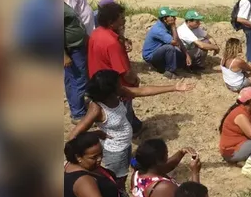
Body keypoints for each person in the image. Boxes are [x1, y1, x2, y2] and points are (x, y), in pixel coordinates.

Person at [67, 69, 195, 185]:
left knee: (126, 172)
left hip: (126, 145)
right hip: (115, 152)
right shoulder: (97, 108)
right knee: (118, 181)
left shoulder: (117, 94)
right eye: (118, 84)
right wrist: (95, 135)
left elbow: (143, 91)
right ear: (109, 90)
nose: (121, 85)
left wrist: (174, 87)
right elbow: (73, 136)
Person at [88, 0, 143, 134]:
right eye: (121, 18)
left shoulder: (96, 33)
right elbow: (124, 72)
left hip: (99, 82)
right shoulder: (112, 43)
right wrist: (135, 81)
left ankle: (135, 125)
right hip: (116, 88)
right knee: (124, 117)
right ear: (111, 22)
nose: (124, 20)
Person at [64, 0, 89, 123]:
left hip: (74, 46)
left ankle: (76, 106)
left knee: (71, 79)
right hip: (72, 48)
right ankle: (78, 113)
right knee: (79, 79)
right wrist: (64, 55)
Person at [144, 7, 190, 78]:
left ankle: (164, 67)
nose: (175, 19)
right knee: (170, 47)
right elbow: (174, 42)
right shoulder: (158, 29)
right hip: (151, 56)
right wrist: (173, 26)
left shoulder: (166, 26)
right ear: (165, 19)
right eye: (172, 17)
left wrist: (187, 55)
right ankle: (169, 71)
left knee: (180, 55)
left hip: (160, 51)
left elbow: (178, 40)